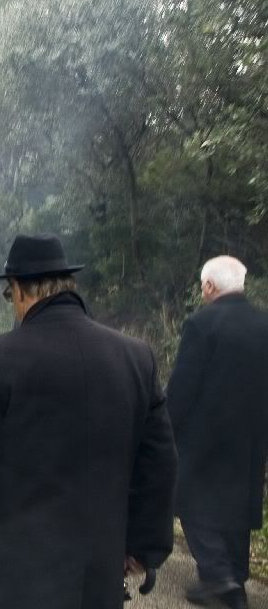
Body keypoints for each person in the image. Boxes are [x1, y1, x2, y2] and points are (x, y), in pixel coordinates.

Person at [0, 234, 177, 609]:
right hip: (100, 561)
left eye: (10, 296)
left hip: (19, 564)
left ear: (19, 290)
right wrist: (145, 546)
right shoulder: (136, 356)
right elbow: (160, 461)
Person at [168, 256, 268, 609]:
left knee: (189, 501)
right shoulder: (263, 323)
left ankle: (218, 575)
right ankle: (235, 582)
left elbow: (183, 384)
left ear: (209, 286)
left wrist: (166, 425)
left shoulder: (202, 323)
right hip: (252, 437)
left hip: (204, 435)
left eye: (202, 286)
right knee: (237, 508)